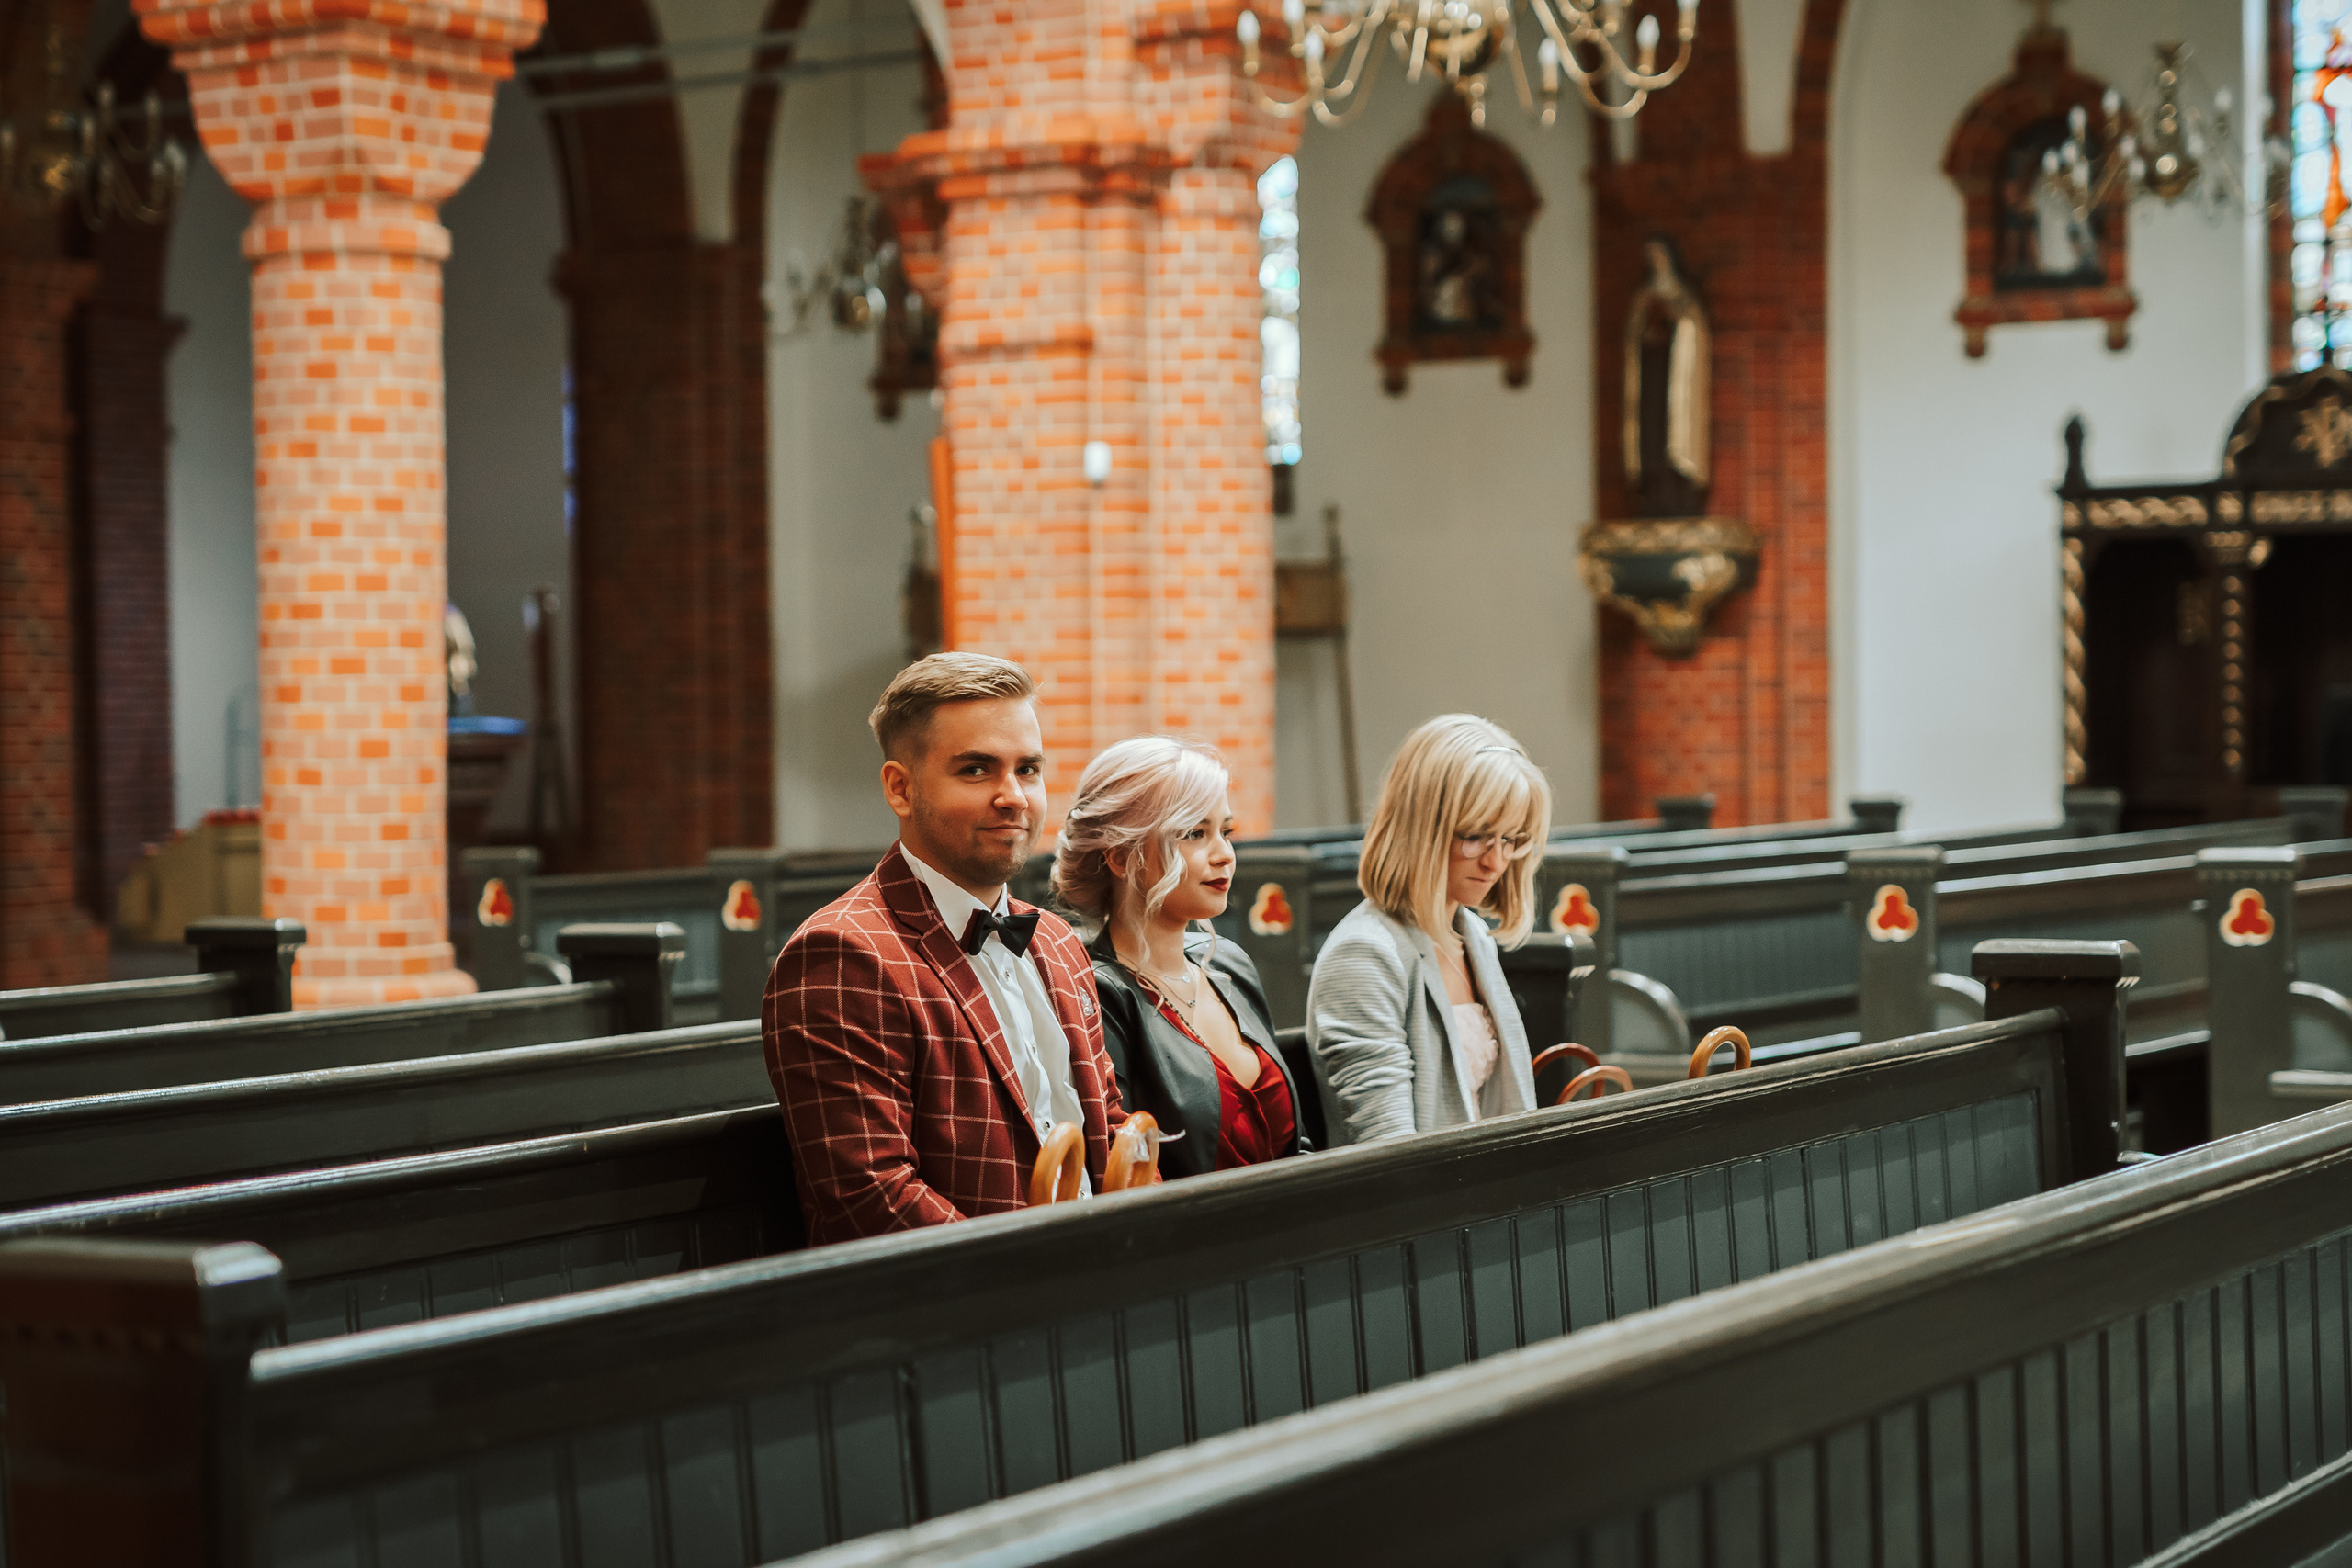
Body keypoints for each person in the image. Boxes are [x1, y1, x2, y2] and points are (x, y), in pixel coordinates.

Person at [762, 653, 1125, 1245]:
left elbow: (1108, 1129)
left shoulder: (1057, 942)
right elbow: (873, 1195)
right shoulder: (843, 955)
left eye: (1028, 769)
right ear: (900, 788)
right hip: (963, 1294)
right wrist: (1046, 1278)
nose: (1014, 796)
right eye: (976, 770)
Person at [1052, 737, 1306, 1179]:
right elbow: (1122, 1174)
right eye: (1195, 834)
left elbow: (1298, 1145)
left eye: (1226, 832)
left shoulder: (1228, 964)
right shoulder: (1097, 993)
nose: (1224, 855)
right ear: (1121, 857)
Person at [1306, 714, 1549, 1145]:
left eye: (1509, 839)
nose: (1495, 862)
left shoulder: (1471, 936)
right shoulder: (1364, 954)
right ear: (1422, 829)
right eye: (1475, 835)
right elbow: (1390, 1148)